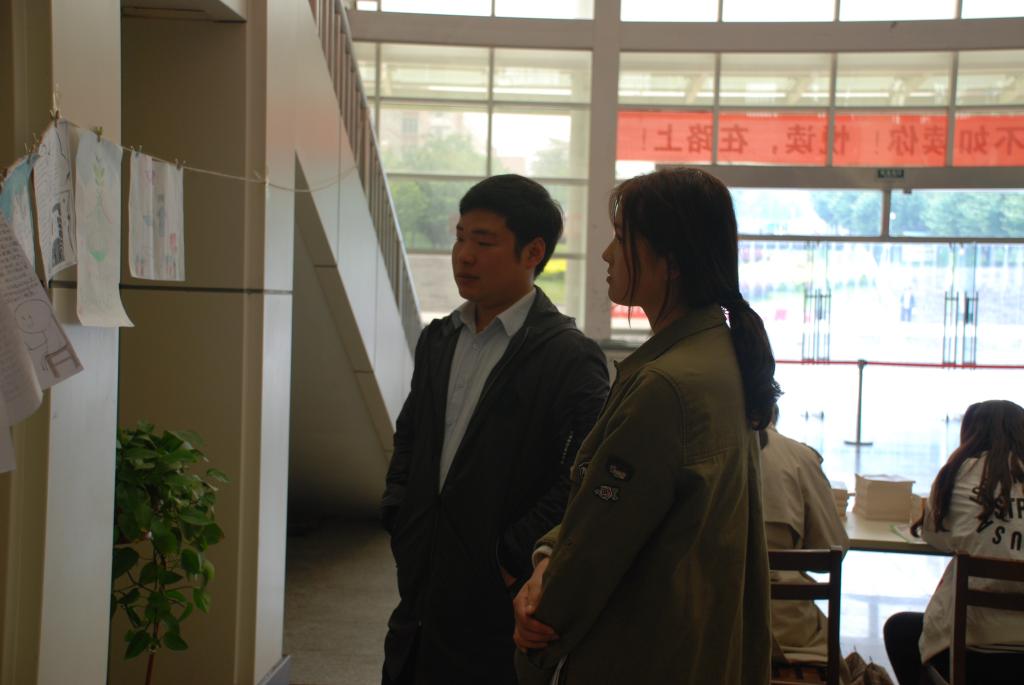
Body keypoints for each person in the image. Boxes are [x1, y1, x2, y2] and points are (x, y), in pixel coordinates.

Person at [512, 167, 779, 684]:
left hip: (641, 652)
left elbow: (599, 542)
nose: (607, 254)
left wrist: (537, 631)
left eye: (621, 238)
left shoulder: (665, 385)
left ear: (671, 262)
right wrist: (548, 556)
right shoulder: (718, 352)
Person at [380, 174, 610, 685]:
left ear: (533, 252)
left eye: (484, 242)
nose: (464, 256)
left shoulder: (569, 357)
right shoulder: (440, 338)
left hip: (499, 604)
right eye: (460, 238)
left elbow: (582, 474)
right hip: (420, 586)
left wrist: (510, 557)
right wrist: (400, 513)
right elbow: (411, 435)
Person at [883, 399, 1024, 684]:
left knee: (900, 630)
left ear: (972, 433)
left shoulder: (957, 472)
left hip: (969, 655)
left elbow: (938, 536)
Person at [759, 407, 851, 682]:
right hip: (785, 628)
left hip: (708, 627)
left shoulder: (696, 456)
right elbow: (831, 549)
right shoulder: (797, 457)